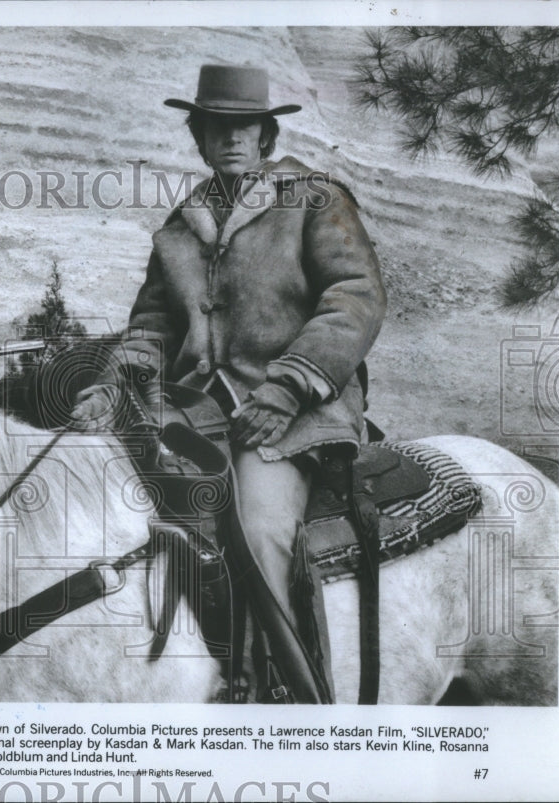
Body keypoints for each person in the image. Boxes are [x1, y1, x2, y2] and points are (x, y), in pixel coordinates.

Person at [71, 65, 386, 703]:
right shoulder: (182, 226)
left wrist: (287, 388)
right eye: (218, 127)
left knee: (257, 528)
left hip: (294, 411)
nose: (232, 138)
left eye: (245, 126)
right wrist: (112, 384)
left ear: (266, 134)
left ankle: (288, 698)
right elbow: (153, 324)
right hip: (191, 410)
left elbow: (355, 297)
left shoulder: (316, 199)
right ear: (201, 136)